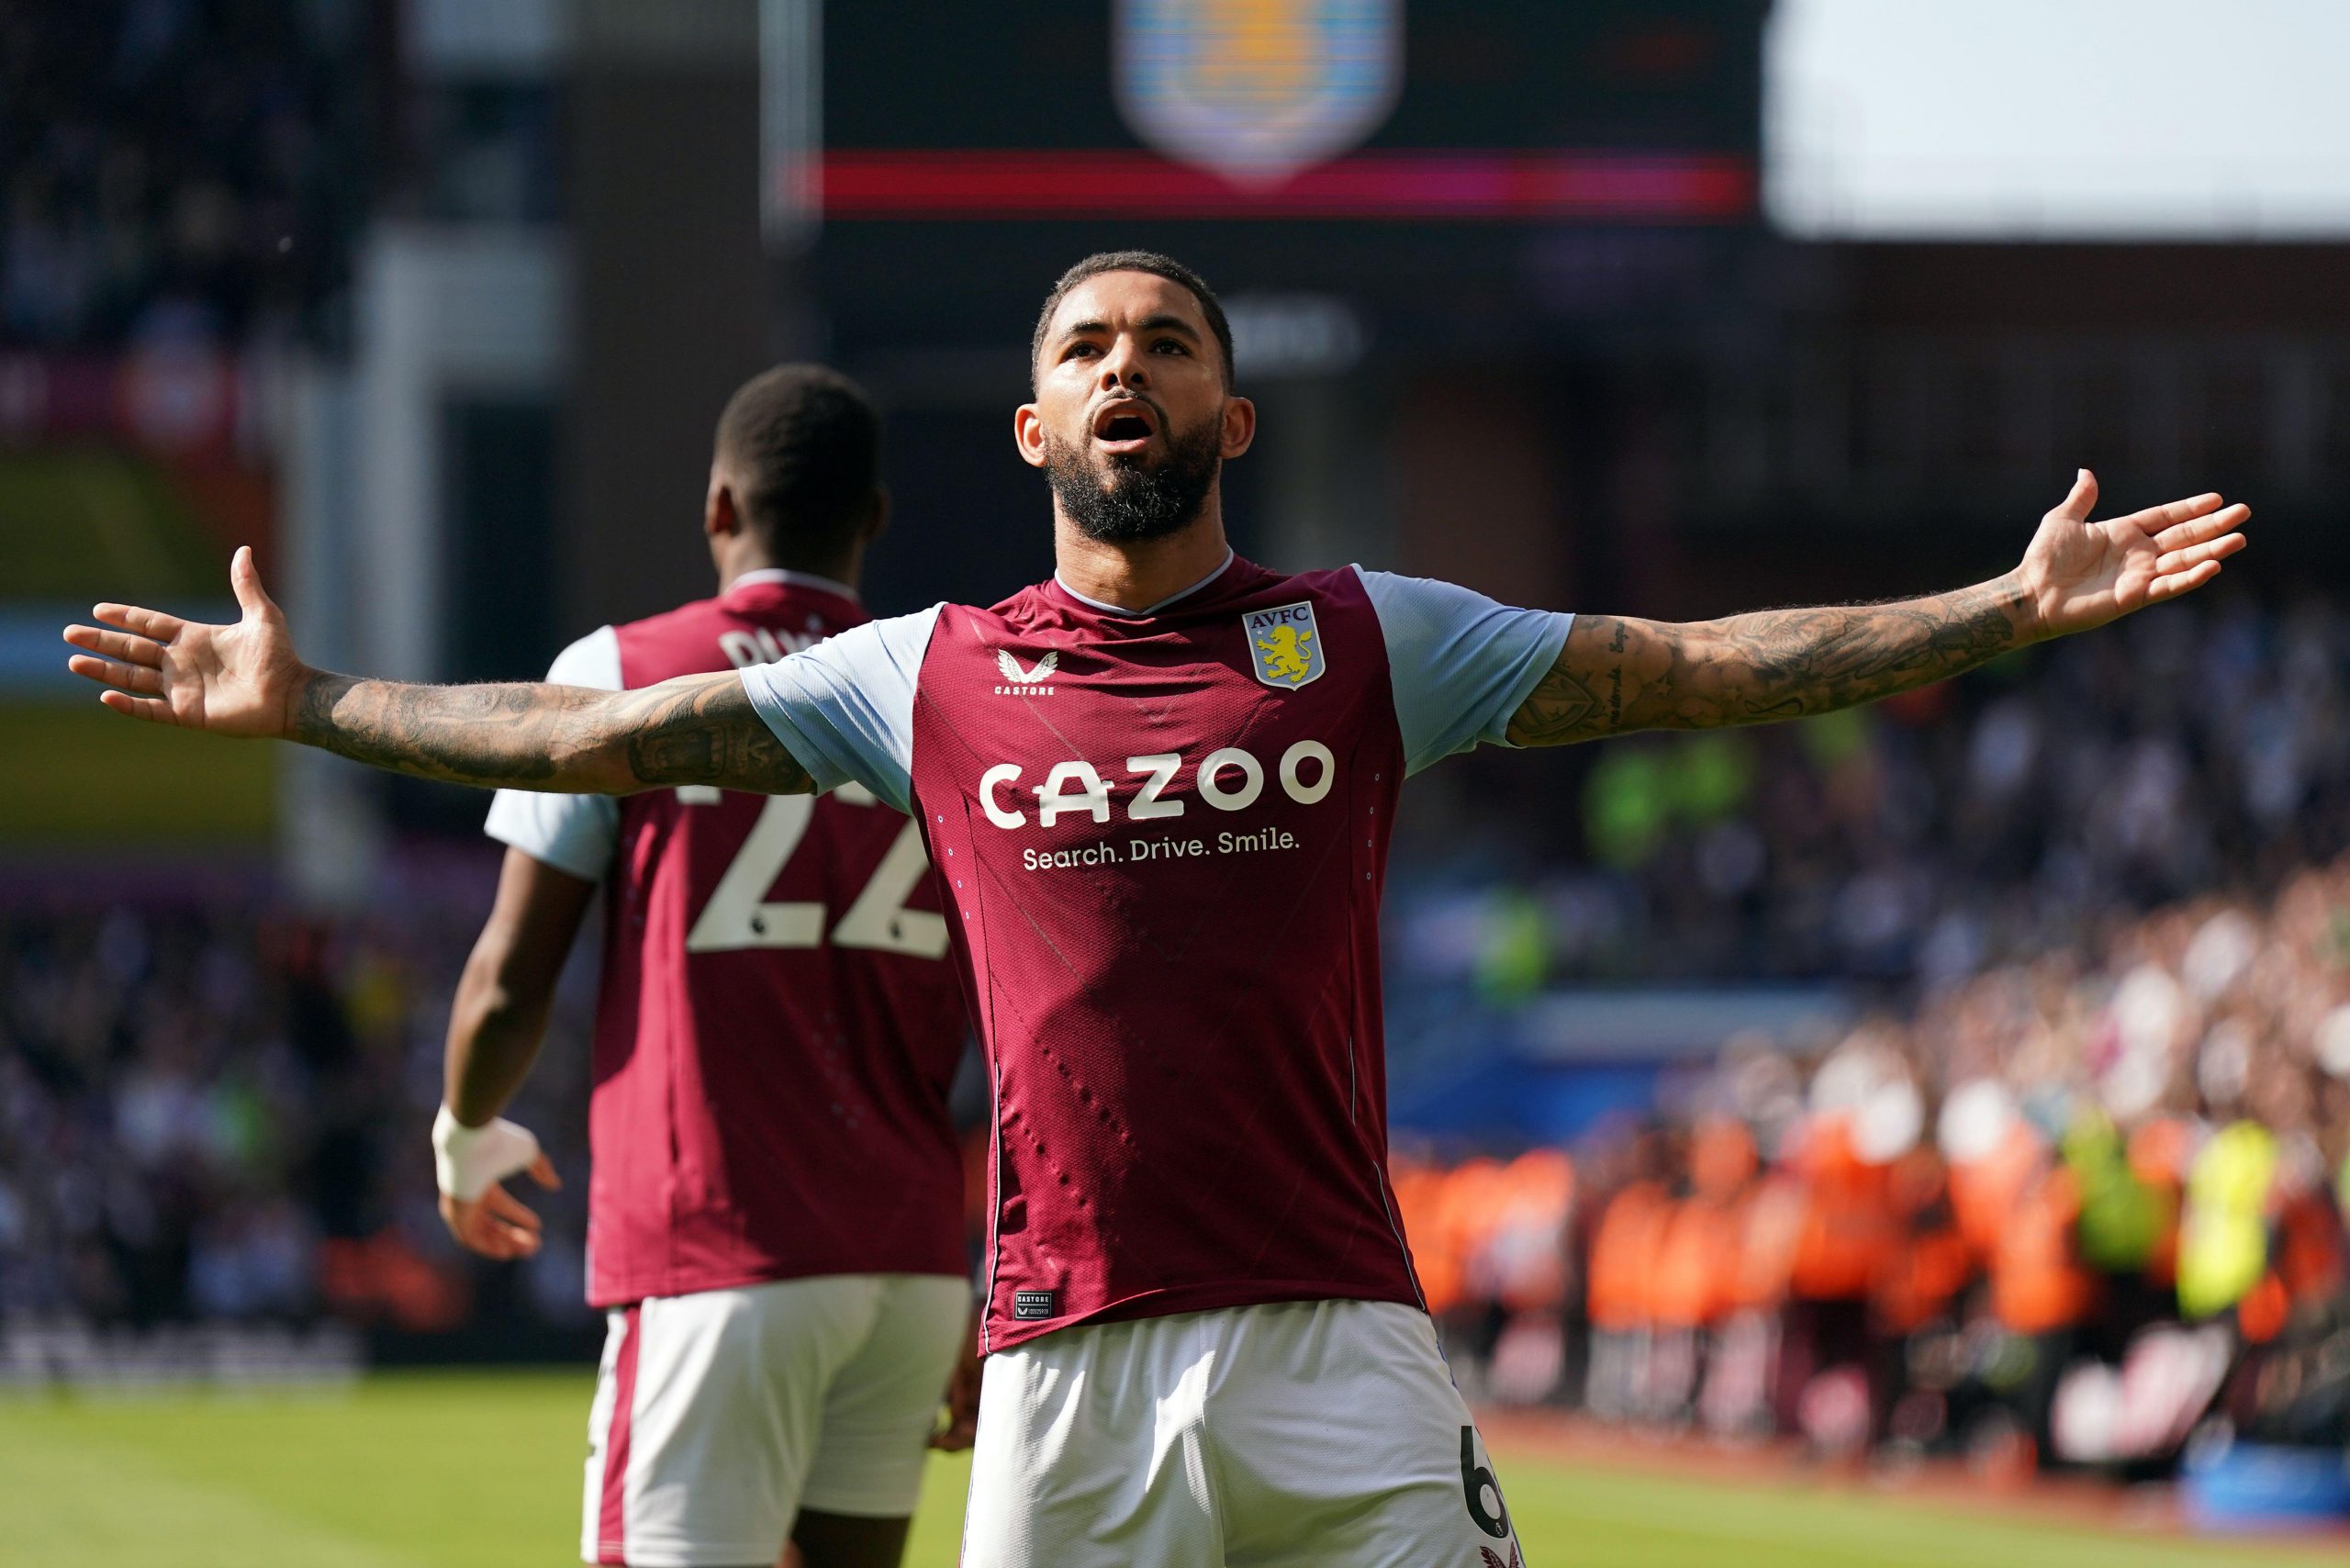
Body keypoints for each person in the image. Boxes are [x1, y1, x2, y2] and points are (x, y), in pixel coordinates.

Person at [65, 250, 2249, 1566]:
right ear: (1031, 419)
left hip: (1339, 1346)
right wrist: (319, 698)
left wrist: (1989, 604)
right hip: (1062, 1366)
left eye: (1166, 342)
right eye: (1089, 345)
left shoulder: (1369, 632)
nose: (1128, 368)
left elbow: (1687, 660)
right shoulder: (920, 670)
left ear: (1232, 405)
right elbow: (585, 752)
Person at [431, 364, 977, 1568]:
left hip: (719, 1247)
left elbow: (515, 974)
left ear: (720, 509)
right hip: (910, 1263)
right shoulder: (950, 698)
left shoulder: (622, 672)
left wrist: (465, 1131)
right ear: (873, 520)